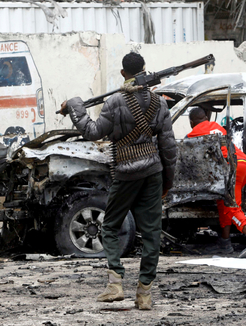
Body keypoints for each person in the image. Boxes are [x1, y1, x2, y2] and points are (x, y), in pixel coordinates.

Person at [59, 52, 178, 310]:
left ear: (123, 74)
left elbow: (92, 132)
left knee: (110, 226)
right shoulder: (160, 103)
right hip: (153, 173)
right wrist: (167, 181)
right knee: (152, 234)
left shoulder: (115, 101)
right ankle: (144, 294)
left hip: (125, 172)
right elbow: (168, 148)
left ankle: (115, 284)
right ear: (144, 70)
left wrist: (75, 105)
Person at [186, 106, 246, 258]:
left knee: (231, 207)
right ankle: (225, 242)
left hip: (229, 169)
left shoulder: (192, 134)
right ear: (207, 118)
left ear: (191, 122)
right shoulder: (216, 127)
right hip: (243, 163)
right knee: (224, 203)